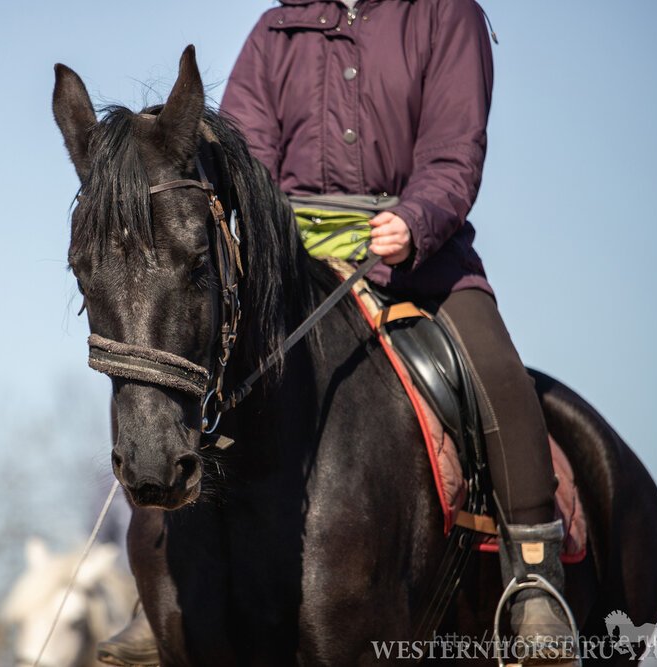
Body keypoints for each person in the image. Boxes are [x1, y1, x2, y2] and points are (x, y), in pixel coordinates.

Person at [99, 1, 576, 664]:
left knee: (496, 372)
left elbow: (453, 149)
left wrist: (418, 219)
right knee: (198, 367)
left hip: (415, 258)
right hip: (288, 260)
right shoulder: (274, 29)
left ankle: (532, 580)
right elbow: (241, 153)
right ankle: (158, 589)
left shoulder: (446, 17)